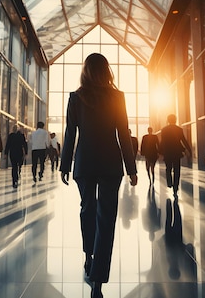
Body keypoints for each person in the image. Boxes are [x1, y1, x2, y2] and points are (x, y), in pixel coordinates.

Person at [60, 53, 138, 298]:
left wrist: (65, 165)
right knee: (107, 218)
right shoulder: (117, 97)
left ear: (85, 71)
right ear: (107, 70)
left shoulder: (75, 97)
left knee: (87, 209)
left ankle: (87, 255)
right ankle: (98, 279)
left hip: (84, 162)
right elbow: (123, 133)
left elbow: (70, 133)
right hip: (110, 163)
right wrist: (131, 168)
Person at [160, 114, 192, 197]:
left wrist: (161, 151)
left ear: (168, 120)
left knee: (168, 168)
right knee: (177, 170)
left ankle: (169, 183)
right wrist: (188, 150)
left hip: (167, 153)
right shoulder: (179, 129)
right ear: (175, 120)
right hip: (176, 153)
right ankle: (175, 188)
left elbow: (162, 142)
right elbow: (183, 141)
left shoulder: (164, 130)